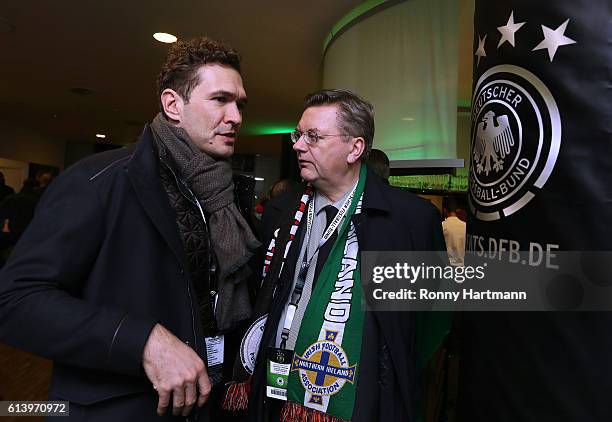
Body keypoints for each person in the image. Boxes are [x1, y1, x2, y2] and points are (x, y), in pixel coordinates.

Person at [0, 37, 260, 421]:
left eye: (240, 103)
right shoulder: (99, 181)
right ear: (173, 105)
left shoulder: (227, 197)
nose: (236, 116)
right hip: (121, 408)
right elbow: (15, 301)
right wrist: (143, 341)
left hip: (206, 404)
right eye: (220, 100)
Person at [223, 89, 445, 421]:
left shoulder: (408, 222)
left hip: (362, 400)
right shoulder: (282, 209)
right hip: (273, 390)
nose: (297, 145)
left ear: (355, 148)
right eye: (299, 135)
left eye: (313, 137)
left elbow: (428, 322)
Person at [442, 196, 466, 266]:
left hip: (447, 265)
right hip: (463, 266)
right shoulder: (465, 225)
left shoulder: (443, 225)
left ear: (445, 210)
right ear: (456, 210)